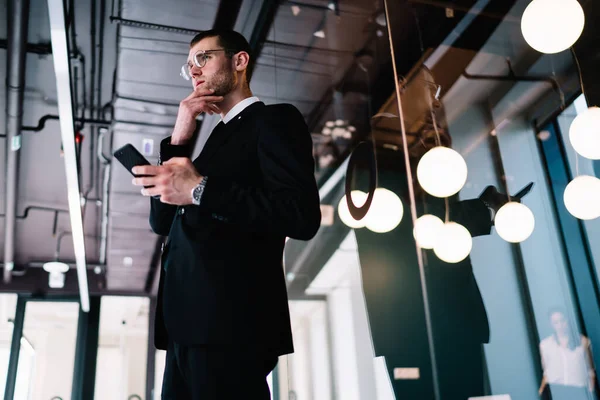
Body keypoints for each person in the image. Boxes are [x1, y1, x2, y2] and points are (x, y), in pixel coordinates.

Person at [131, 29, 321, 399]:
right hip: (185, 325)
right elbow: (162, 222)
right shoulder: (213, 142)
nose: (195, 70)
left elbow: (300, 215)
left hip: (230, 321)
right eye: (189, 66)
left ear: (239, 61)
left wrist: (199, 188)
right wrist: (182, 133)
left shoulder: (274, 120)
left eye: (203, 58)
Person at [538, 308, 597, 399]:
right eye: (556, 322)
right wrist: (540, 392)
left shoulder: (584, 342)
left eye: (562, 320)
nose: (560, 325)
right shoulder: (545, 345)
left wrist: (590, 392)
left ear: (568, 320)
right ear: (551, 324)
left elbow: (591, 372)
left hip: (578, 391)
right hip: (556, 391)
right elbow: (546, 373)